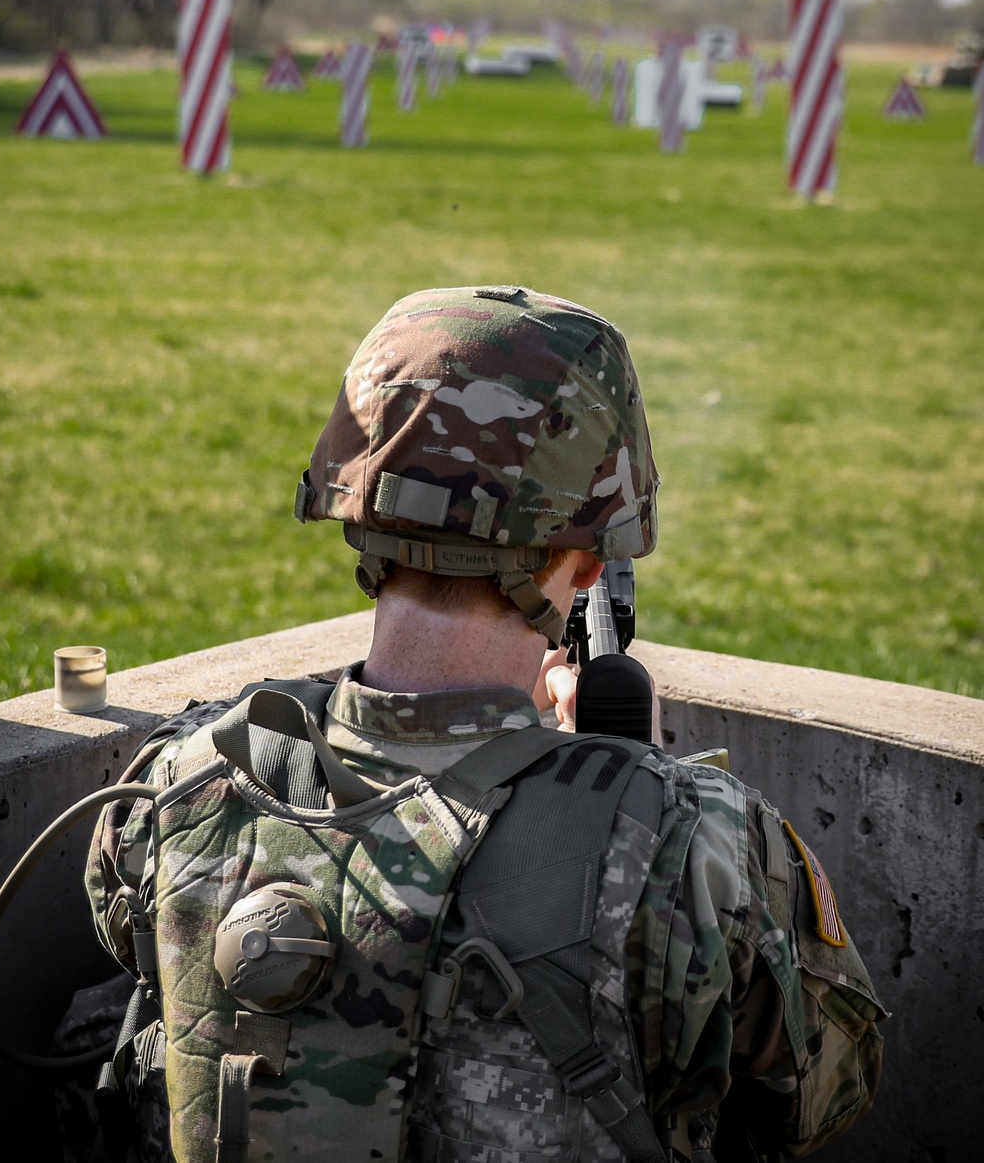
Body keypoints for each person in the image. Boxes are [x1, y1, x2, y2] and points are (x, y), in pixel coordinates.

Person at [86, 284, 884, 1163]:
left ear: (360, 514)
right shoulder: (696, 840)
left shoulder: (182, 779)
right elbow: (819, 1095)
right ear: (581, 561)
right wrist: (631, 772)